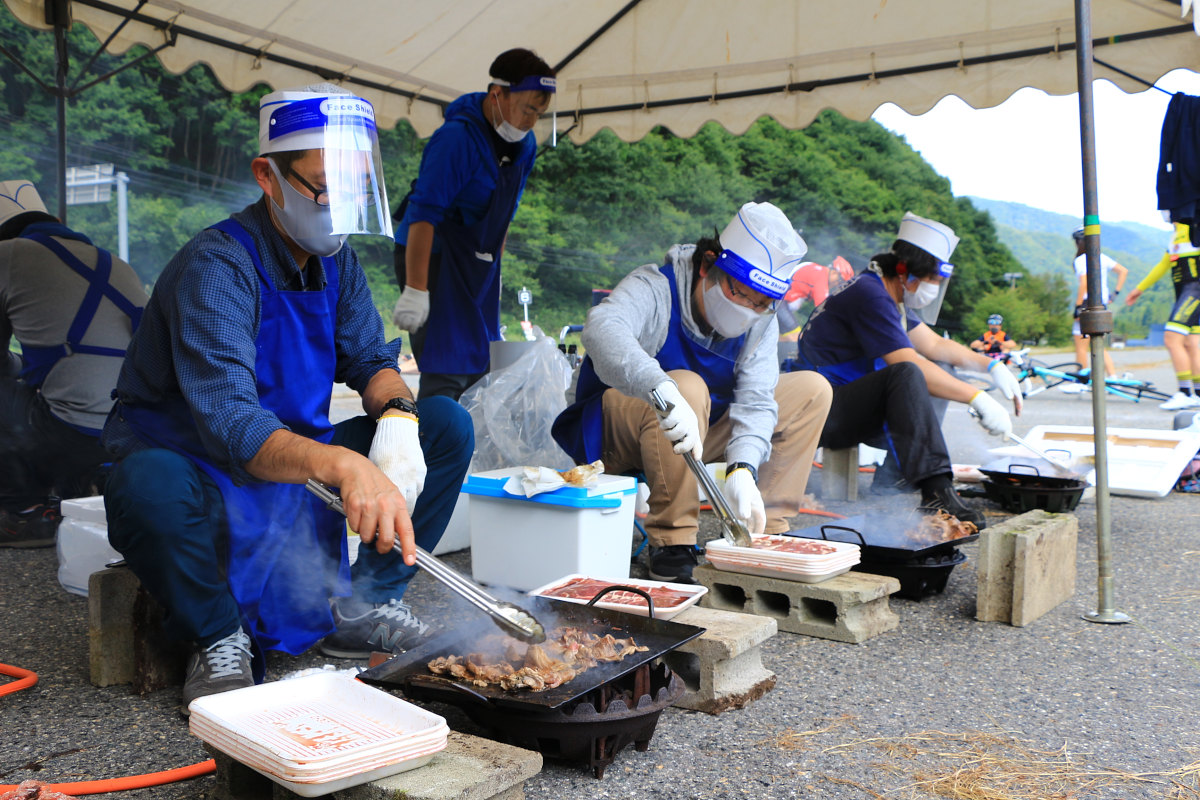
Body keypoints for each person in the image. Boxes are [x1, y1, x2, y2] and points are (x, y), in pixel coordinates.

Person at [101, 86, 474, 711]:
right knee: (145, 484)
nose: (337, 209)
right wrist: (345, 465)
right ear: (267, 178)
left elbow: (371, 361)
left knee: (445, 424)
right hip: (203, 465)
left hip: (295, 462)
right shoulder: (217, 265)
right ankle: (218, 635)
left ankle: (367, 604)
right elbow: (232, 422)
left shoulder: (338, 260)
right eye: (323, 189)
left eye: (353, 191)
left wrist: (399, 421)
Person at [552, 202, 833, 584]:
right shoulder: (656, 287)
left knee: (812, 391)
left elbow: (756, 398)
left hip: (696, 435)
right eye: (740, 293)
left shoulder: (759, 323)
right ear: (707, 266)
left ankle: (761, 530)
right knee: (686, 385)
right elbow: (603, 327)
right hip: (616, 432)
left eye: (761, 303)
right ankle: (672, 543)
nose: (748, 310)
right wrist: (659, 386)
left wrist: (743, 467)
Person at [790, 213, 1024, 528]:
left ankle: (896, 479)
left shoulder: (888, 295)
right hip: (820, 412)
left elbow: (936, 346)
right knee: (908, 373)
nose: (932, 289)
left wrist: (992, 365)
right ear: (904, 272)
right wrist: (976, 397)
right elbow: (907, 362)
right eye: (931, 281)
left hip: (846, 404)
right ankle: (936, 490)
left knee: (936, 368)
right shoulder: (869, 294)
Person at [391, 49, 555, 400]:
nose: (531, 122)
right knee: (448, 363)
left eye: (539, 114)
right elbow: (423, 213)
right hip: (432, 254)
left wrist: (493, 272)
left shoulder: (525, 146)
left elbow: (505, 215)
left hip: (477, 259)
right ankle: (433, 443)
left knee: (481, 362)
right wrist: (416, 290)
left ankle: (470, 443)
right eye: (527, 108)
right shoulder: (457, 139)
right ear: (498, 95)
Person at [0, 180, 147, 547]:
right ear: (55, 220)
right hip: (136, 430)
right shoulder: (115, 262)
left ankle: (25, 512)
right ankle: (81, 489)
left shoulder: (9, 255)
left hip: (69, 432)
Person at [1125, 220, 1200, 410]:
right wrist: (1139, 289)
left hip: (1195, 290)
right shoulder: (1176, 235)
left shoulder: (1194, 228)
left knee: (1172, 337)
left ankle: (1185, 392)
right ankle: (1197, 394)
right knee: (1192, 343)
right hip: (1184, 292)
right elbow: (1163, 264)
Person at [1069, 226, 1128, 383]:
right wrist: (1115, 294)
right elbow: (1123, 271)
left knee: (1081, 345)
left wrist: (1077, 306)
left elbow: (1084, 282)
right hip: (1101, 303)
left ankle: (1081, 381)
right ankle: (1113, 377)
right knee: (1098, 344)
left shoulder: (1081, 260)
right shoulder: (1102, 257)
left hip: (1086, 303)